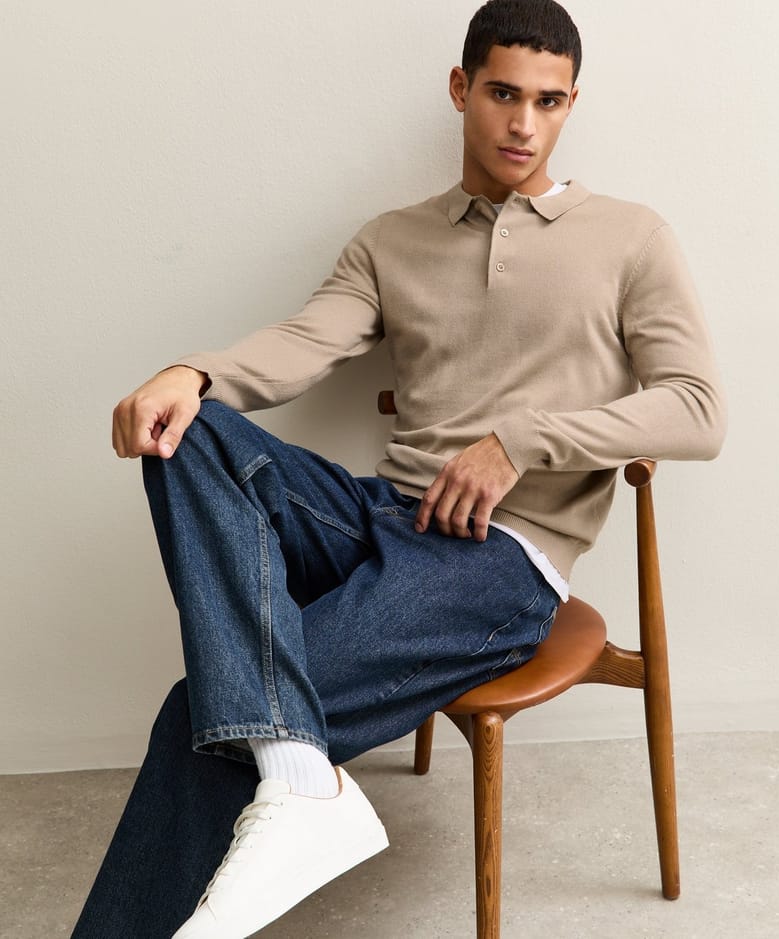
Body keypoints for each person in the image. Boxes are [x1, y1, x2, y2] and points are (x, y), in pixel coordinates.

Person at [74, 1, 726, 936]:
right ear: (461, 88)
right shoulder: (392, 239)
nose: (523, 124)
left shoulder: (631, 237)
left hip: (501, 559)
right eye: (503, 94)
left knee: (204, 714)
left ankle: (290, 775)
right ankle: (299, 774)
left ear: (571, 104)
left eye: (548, 102)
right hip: (379, 516)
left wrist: (522, 441)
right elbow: (306, 342)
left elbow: (698, 408)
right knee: (195, 431)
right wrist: (193, 373)